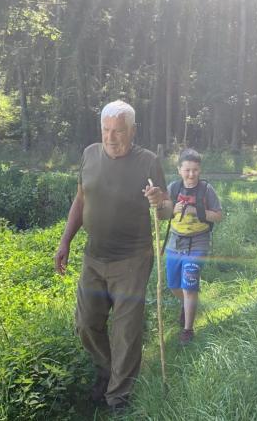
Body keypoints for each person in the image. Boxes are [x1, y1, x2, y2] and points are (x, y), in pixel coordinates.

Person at [53, 100, 171, 411]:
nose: (111, 137)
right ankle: (111, 371)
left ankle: (118, 400)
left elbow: (167, 209)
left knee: (126, 332)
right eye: (106, 130)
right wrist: (65, 241)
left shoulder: (148, 161)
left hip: (132, 259)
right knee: (86, 323)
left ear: (132, 131)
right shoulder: (89, 155)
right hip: (94, 256)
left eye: (118, 131)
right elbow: (81, 199)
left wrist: (160, 201)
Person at [165, 148, 223, 345]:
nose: (191, 174)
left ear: (200, 170)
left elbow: (218, 216)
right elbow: (162, 214)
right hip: (175, 241)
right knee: (173, 285)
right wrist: (172, 209)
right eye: (187, 170)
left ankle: (188, 330)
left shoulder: (206, 190)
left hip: (198, 241)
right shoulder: (173, 188)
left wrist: (194, 209)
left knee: (189, 285)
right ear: (179, 170)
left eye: (195, 170)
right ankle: (186, 305)